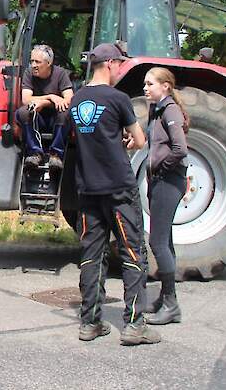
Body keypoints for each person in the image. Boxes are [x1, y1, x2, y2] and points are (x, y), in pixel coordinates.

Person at [69, 42, 159, 346]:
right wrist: (126, 142)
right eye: (120, 64)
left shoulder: (77, 99)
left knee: (91, 254)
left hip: (88, 189)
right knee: (133, 252)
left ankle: (89, 323)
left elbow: (84, 137)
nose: (121, 69)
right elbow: (139, 138)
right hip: (119, 187)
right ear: (109, 63)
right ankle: (135, 326)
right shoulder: (118, 99)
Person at [142, 67, 189, 325]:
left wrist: (162, 168)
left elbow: (179, 148)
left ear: (165, 87)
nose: (145, 88)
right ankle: (164, 298)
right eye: (145, 84)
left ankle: (171, 305)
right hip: (159, 181)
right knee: (165, 242)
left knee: (158, 243)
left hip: (168, 181)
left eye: (150, 84)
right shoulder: (156, 109)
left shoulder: (170, 110)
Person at [15, 45, 74, 170]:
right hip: (37, 119)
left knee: (66, 111)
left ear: (49, 63)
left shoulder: (61, 74)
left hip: (56, 120)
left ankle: (56, 154)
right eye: (32, 61)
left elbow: (69, 99)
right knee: (24, 111)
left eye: (37, 62)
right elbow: (26, 99)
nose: (34, 65)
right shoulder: (28, 73)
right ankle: (35, 153)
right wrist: (51, 97)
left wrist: (44, 103)